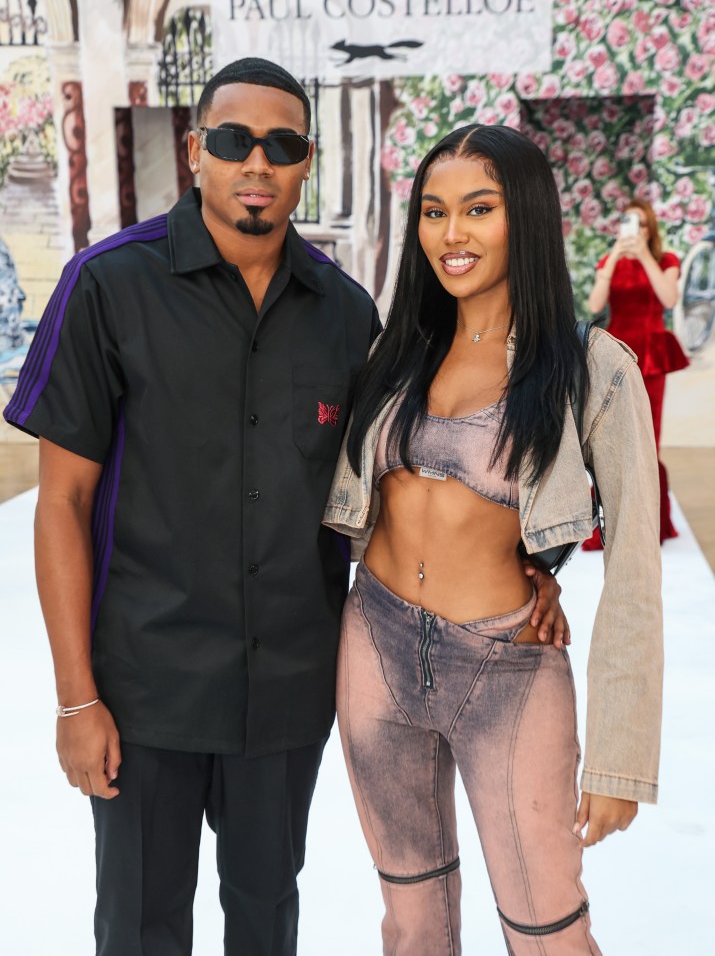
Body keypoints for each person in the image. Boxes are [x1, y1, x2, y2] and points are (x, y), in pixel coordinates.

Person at [2, 62, 565, 956]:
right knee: (141, 928)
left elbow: (404, 480)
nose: (256, 162)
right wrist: (77, 700)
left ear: (307, 163)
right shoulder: (107, 287)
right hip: (147, 689)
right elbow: (62, 502)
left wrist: (531, 566)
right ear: (197, 152)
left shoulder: (344, 315)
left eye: (283, 144)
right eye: (233, 141)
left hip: (290, 690)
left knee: (267, 919)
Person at [324, 125, 663, 955]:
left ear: (527, 218)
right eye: (434, 212)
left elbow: (631, 572)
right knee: (411, 922)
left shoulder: (593, 368)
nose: (452, 234)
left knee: (546, 925)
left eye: (479, 209)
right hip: (374, 647)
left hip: (506, 669)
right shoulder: (389, 351)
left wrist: (618, 760)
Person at [585, 197, 689, 546]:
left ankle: (649, 525)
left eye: (641, 223)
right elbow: (595, 304)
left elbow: (669, 298)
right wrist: (615, 255)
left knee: (647, 439)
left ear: (650, 228)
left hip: (652, 353)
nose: (635, 229)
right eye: (629, 221)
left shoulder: (665, 260)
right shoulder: (609, 262)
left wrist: (644, 255)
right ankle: (609, 522)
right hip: (616, 354)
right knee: (610, 439)